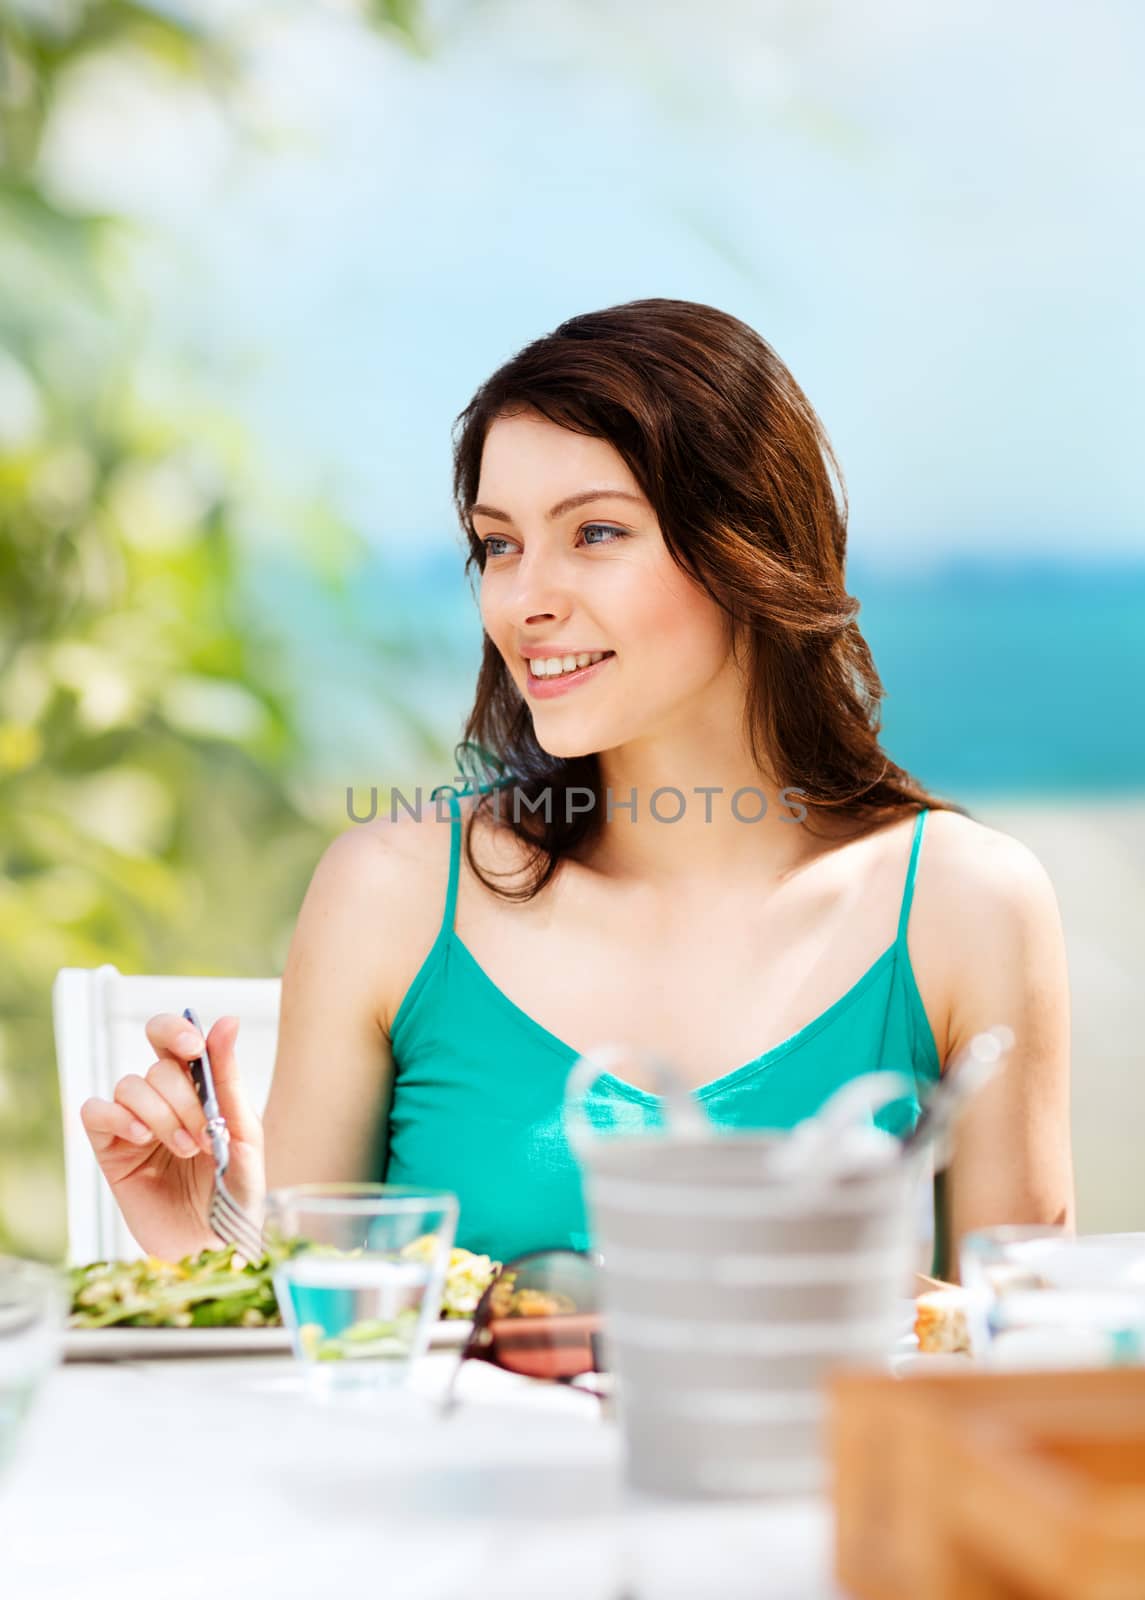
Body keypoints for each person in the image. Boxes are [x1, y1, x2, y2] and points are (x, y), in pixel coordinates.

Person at [79, 298, 1075, 1279]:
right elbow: (324, 1357)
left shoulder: (965, 906)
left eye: (594, 533)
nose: (524, 599)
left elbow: (1027, 1380)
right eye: (498, 543)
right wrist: (205, 1246)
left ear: (749, 544)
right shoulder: (388, 893)